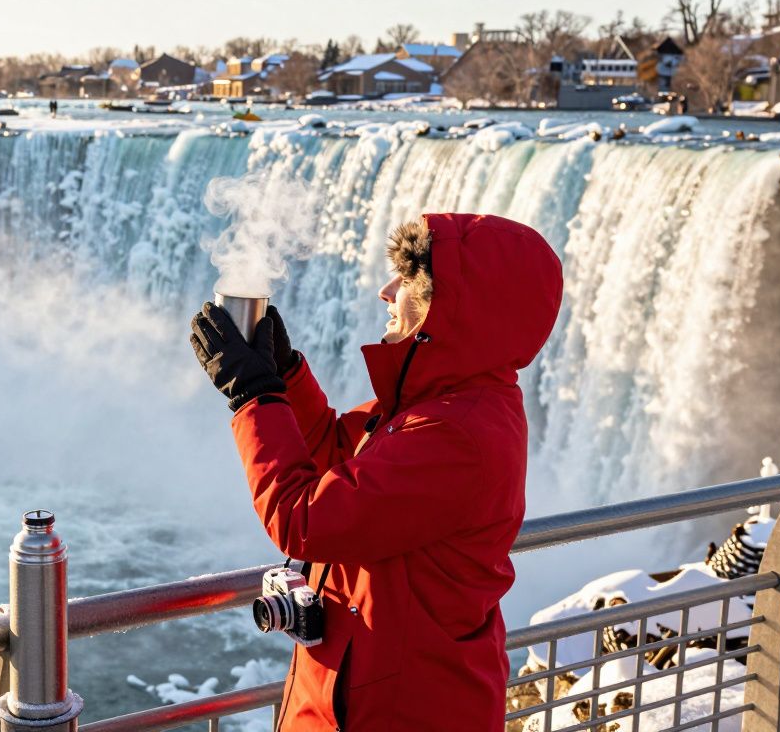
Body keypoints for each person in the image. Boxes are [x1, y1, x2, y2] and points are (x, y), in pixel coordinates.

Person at [189, 214, 563, 730]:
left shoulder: (455, 435)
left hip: (400, 707)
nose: (386, 292)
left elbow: (304, 520)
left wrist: (253, 395)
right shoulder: (436, 403)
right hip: (370, 690)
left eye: (408, 279)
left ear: (457, 307)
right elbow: (336, 454)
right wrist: (286, 372)